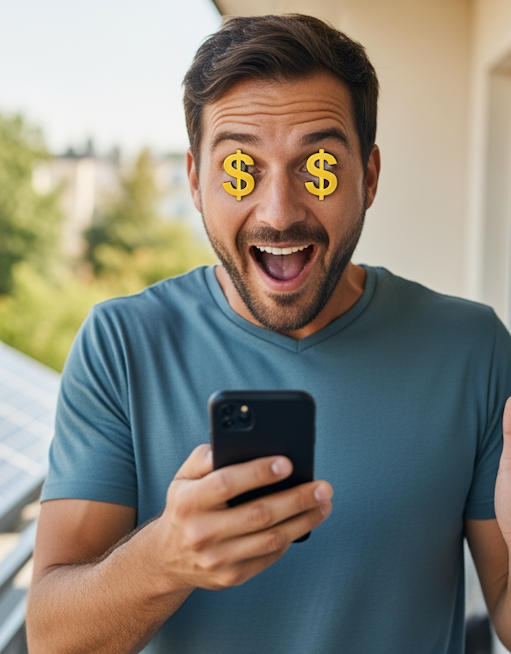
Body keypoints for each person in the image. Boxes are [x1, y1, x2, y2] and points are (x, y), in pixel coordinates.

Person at [25, 13, 511, 654]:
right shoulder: (121, 345)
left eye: (318, 169)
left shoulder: (471, 349)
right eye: (239, 172)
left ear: (368, 176)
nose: (279, 212)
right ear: (196, 182)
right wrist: (165, 559)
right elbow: (52, 641)